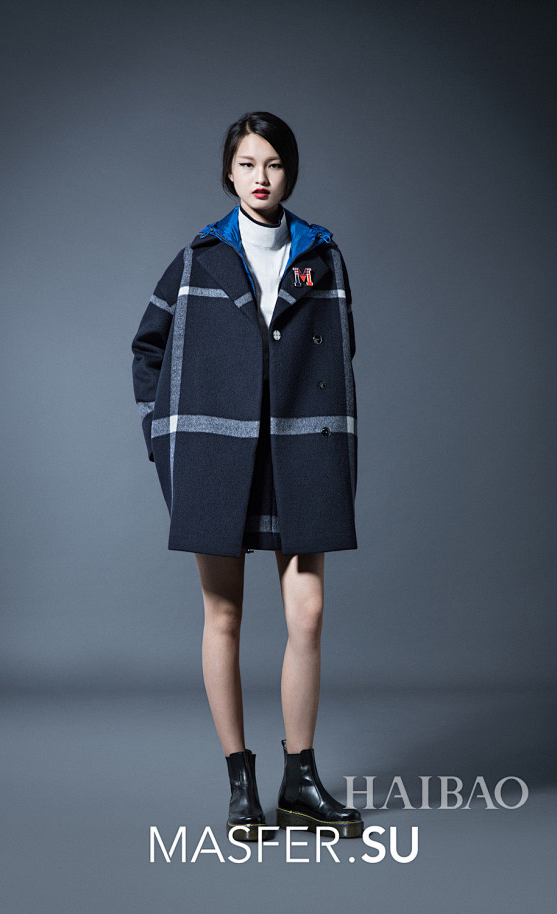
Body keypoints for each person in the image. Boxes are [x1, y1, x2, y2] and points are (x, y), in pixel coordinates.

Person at [131, 111, 363, 840]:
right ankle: (240, 783)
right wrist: (164, 435)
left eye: (274, 164)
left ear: (290, 172)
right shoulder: (199, 258)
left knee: (308, 613)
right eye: (247, 163)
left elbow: (340, 352)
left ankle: (301, 782)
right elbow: (148, 349)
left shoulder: (321, 256)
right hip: (218, 453)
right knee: (223, 614)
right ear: (228, 172)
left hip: (299, 448)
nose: (261, 177)